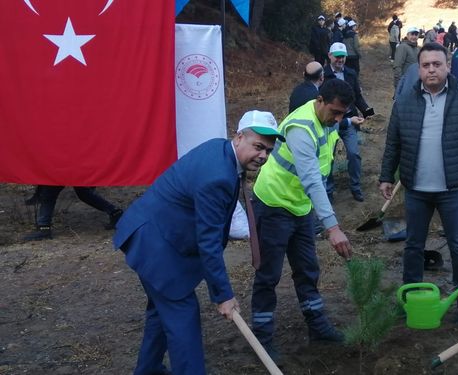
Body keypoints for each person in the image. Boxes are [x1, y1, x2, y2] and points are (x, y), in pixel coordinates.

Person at [113, 110, 285, 375]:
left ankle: (147, 370)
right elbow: (209, 241)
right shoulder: (217, 176)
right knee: (183, 319)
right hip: (155, 245)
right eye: (258, 147)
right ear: (239, 137)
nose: (263, 155)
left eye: (268, 151)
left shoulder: (222, 151)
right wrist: (224, 295)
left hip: (157, 235)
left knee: (161, 312)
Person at [379, 42, 458, 328]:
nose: (431, 69)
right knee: (413, 246)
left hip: (453, 189)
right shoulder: (405, 102)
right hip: (416, 190)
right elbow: (393, 142)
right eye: (425, 65)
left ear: (448, 66)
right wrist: (385, 176)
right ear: (418, 69)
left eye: (437, 64)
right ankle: (409, 299)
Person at [251, 79, 353, 362]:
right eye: (334, 112)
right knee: (268, 274)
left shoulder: (328, 121)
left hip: (300, 207)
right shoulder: (301, 128)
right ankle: (262, 337)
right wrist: (332, 227)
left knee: (307, 269)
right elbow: (311, 178)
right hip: (273, 204)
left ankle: (317, 325)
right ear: (320, 101)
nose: (338, 119)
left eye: (343, 114)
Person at [324, 42, 373, 202]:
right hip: (330, 122)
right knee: (328, 156)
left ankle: (356, 187)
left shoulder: (351, 73)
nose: (340, 60)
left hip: (350, 120)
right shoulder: (323, 75)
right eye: (337, 56)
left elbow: (357, 96)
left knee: (353, 154)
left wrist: (367, 111)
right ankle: (328, 190)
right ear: (330, 56)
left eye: (343, 56)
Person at [23, 185, 122, 241]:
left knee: (49, 192)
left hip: (66, 162)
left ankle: (44, 228)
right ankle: (115, 212)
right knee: (84, 193)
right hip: (72, 160)